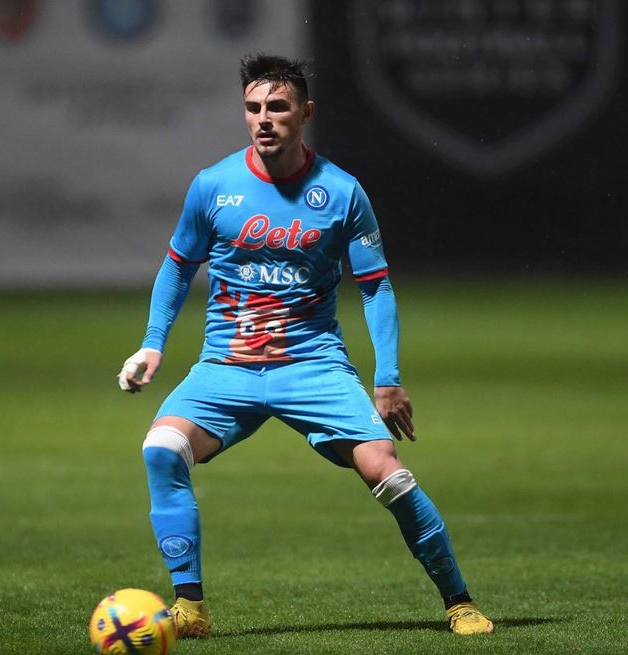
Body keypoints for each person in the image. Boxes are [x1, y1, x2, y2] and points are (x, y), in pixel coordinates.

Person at [117, 54, 493, 638]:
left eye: (278, 106)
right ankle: (190, 606)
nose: (263, 118)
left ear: (306, 112)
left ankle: (459, 602)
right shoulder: (213, 186)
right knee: (161, 450)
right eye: (253, 108)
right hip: (227, 366)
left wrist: (388, 378)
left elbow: (376, 287)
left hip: (313, 365)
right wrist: (151, 345)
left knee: (389, 474)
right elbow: (177, 267)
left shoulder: (342, 192)